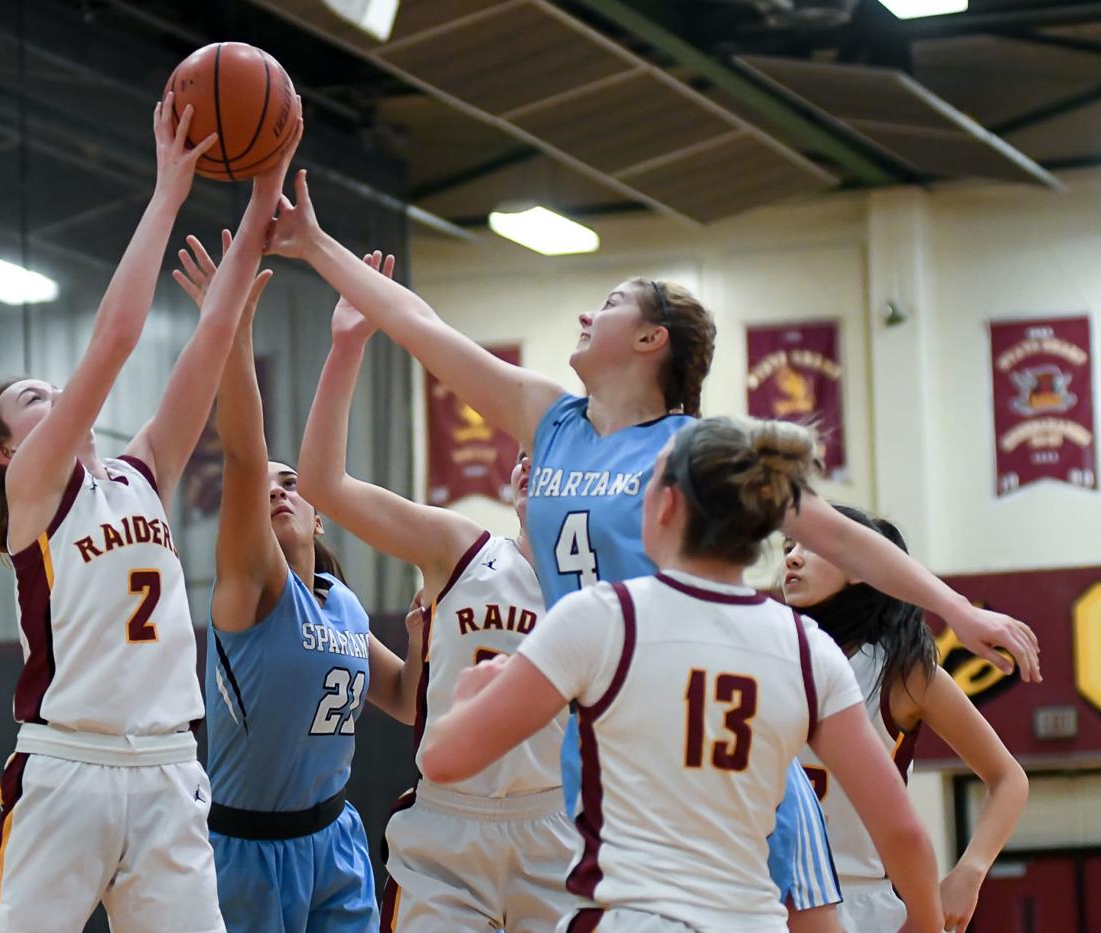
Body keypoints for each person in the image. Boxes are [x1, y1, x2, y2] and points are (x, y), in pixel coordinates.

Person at [264, 172, 1038, 922]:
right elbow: (419, 327)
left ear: (648, 337)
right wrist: (316, 244)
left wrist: (956, 608)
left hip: (704, 727)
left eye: (606, 304)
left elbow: (836, 531)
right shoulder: (549, 418)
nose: (581, 318)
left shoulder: (694, 451)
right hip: (611, 743)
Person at [0, 94, 299, 932]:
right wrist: (167, 191)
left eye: (51, 389)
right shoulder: (36, 488)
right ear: (7, 450)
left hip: (168, 768)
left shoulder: (142, 472)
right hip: (68, 767)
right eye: (32, 399)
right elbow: (118, 337)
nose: (53, 397)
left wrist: (263, 193)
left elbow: (215, 334)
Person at [419, 416, 943, 933]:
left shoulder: (602, 617)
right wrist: (924, 921)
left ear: (665, 504)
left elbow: (445, 759)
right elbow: (904, 835)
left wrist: (470, 695)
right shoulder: (811, 650)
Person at [293, 252, 575, 931]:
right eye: (525, 451)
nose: (530, 461)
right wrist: (346, 349)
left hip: (559, 824)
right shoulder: (462, 546)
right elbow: (324, 485)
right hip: (451, 821)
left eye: (554, 454)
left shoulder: (605, 577)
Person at [172, 234, 422, 933]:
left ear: (320, 516)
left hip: (334, 839)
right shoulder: (253, 585)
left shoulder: (341, 603)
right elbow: (246, 460)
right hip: (246, 848)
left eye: (295, 482)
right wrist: (234, 330)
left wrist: (426, 637)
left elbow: (404, 698)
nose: (279, 489)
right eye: (270, 485)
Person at [783, 506, 1028, 933]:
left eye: (811, 547)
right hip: (766, 897)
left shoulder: (902, 672)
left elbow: (1008, 778)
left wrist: (968, 874)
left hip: (862, 902)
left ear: (861, 567)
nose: (792, 557)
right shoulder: (765, 657)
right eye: (788, 547)